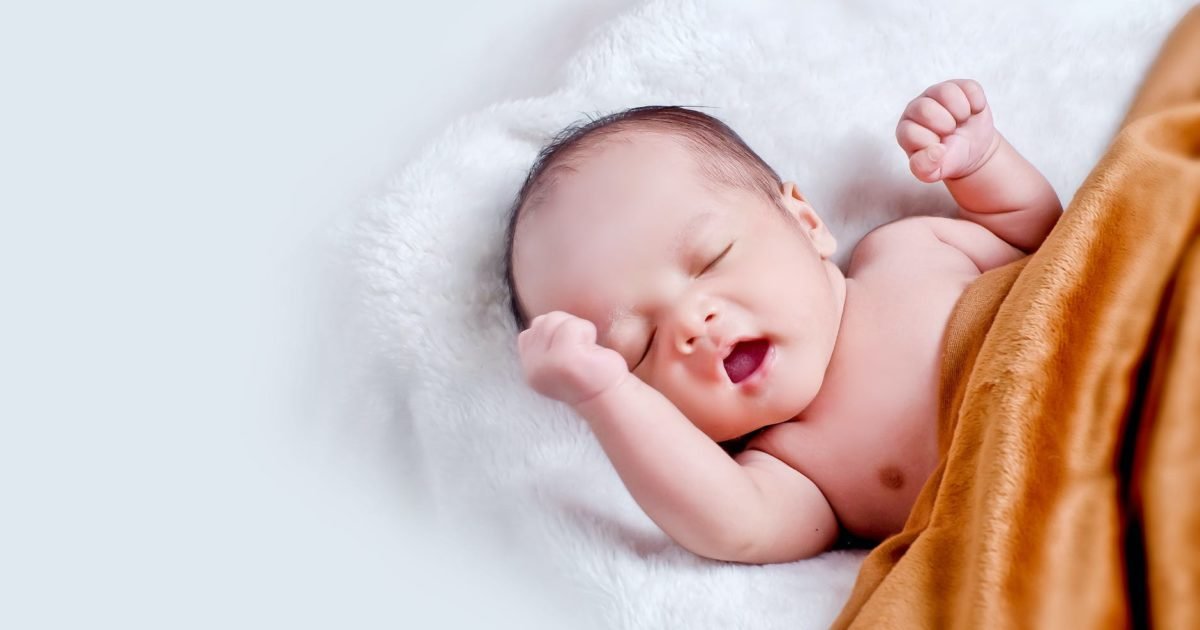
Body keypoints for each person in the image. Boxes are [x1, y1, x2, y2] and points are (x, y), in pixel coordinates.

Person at [503, 80, 1062, 563]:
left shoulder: (909, 249)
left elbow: (1041, 242)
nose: (694, 324)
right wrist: (604, 396)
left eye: (711, 258)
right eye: (639, 347)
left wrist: (983, 161)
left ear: (805, 220)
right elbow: (731, 526)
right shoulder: (795, 469)